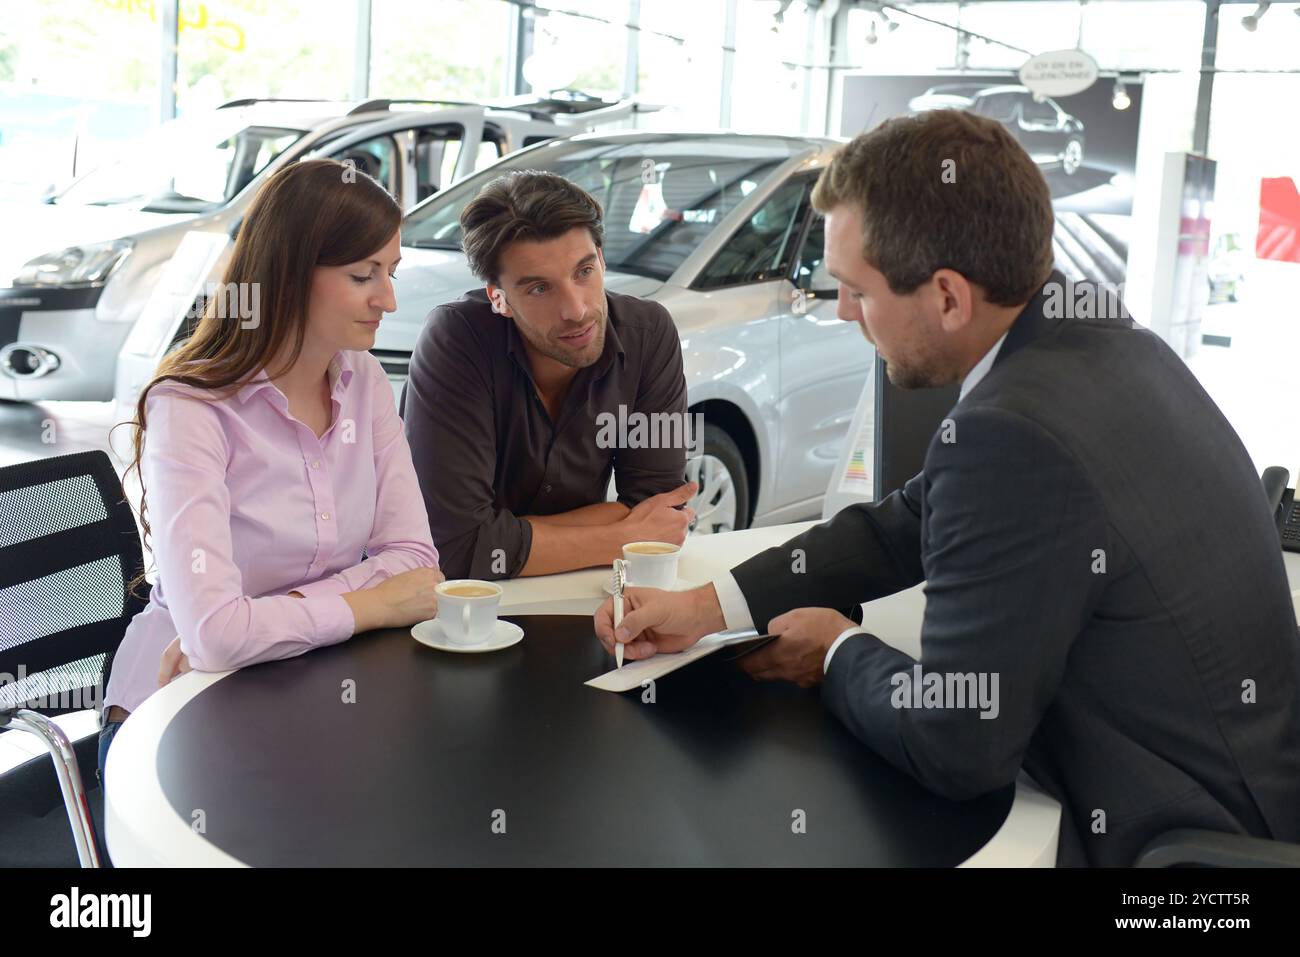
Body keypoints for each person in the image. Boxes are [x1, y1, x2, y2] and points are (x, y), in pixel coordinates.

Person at [595, 110, 1300, 867]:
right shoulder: (1101, 340)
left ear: (949, 297)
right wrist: (706, 608)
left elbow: (957, 743)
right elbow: (910, 522)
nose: (842, 314)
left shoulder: (1016, 429)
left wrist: (838, 651)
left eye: (856, 291)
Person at [100, 159, 443, 777]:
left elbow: (415, 562)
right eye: (363, 275)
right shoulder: (191, 407)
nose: (388, 299)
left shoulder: (362, 379)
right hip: (176, 709)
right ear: (287, 276)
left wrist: (260, 618)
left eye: (390, 272)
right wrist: (371, 604)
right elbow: (216, 637)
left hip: (305, 682)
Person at [401, 171, 696, 580]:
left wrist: (506, 535)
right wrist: (619, 535)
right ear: (499, 299)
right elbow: (455, 548)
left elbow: (661, 513)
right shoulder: (456, 340)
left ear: (602, 260)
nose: (575, 309)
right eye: (540, 288)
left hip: (583, 594)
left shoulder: (648, 335)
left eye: (584, 272)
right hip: (466, 609)